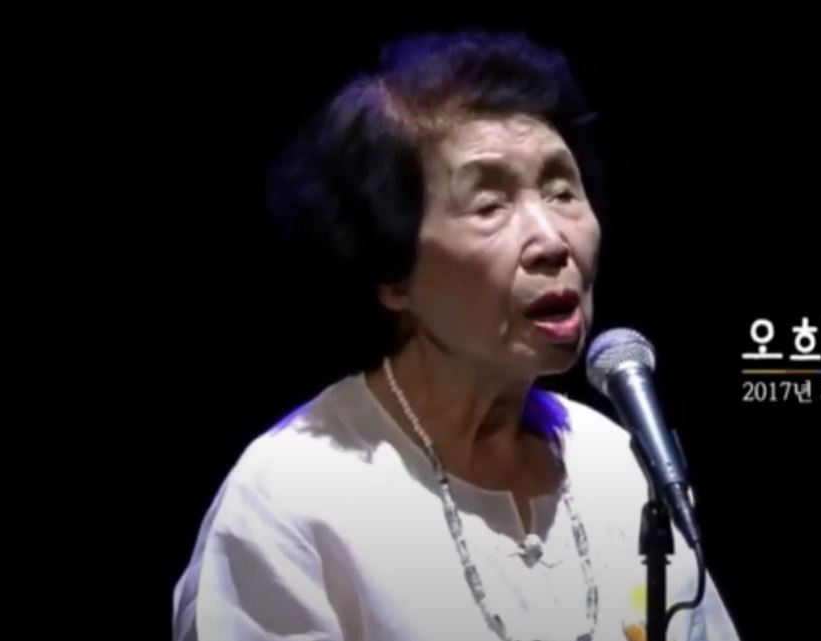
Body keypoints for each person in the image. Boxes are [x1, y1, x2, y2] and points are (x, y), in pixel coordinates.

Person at [173, 31, 741, 641]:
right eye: (490, 205)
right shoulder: (292, 499)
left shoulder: (620, 466)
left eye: (561, 191)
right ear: (392, 273)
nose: (552, 241)